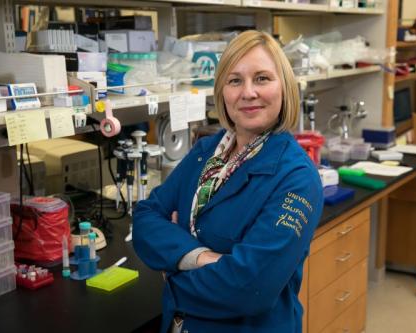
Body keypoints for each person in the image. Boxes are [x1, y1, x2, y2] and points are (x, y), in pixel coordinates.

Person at [133, 30, 324, 333]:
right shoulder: (206, 153)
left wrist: (173, 272)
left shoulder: (297, 178)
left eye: (262, 78)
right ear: (222, 90)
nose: (248, 92)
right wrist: (202, 258)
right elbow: (145, 217)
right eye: (235, 80)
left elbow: (251, 289)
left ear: (285, 87)